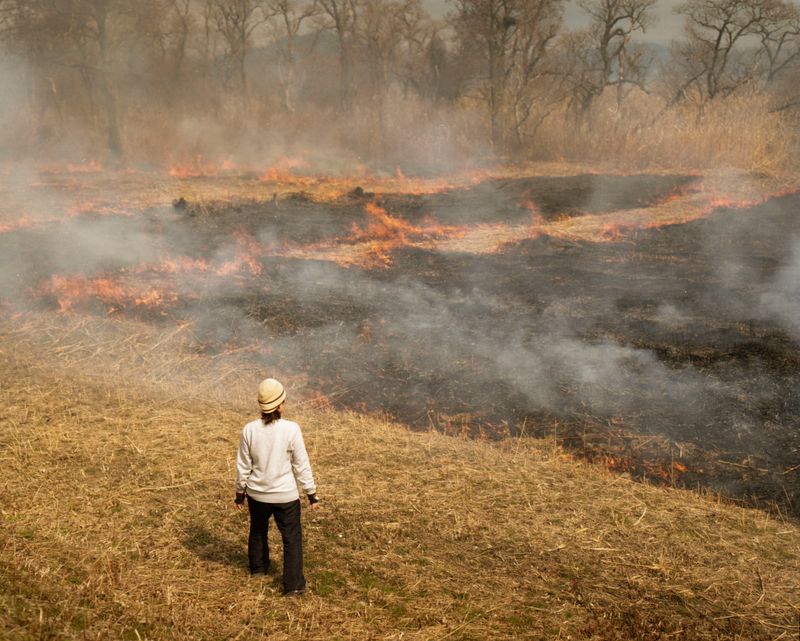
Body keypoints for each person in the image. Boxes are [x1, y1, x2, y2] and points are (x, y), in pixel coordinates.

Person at [235, 378, 319, 595]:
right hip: (285, 497)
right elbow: (301, 463)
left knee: (258, 530)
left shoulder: (249, 430)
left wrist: (240, 493)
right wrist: (311, 493)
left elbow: (244, 465)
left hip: (257, 494)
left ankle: (258, 569)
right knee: (291, 538)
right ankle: (293, 585)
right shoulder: (291, 429)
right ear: (281, 404)